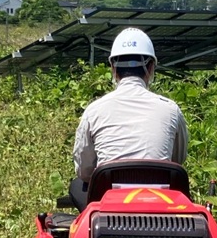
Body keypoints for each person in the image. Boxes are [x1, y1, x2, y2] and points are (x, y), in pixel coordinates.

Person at [69, 28, 188, 206]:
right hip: (160, 201)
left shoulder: (94, 111)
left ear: (113, 68)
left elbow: (84, 172)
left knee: (77, 185)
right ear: (150, 68)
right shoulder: (171, 110)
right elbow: (177, 160)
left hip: (109, 205)